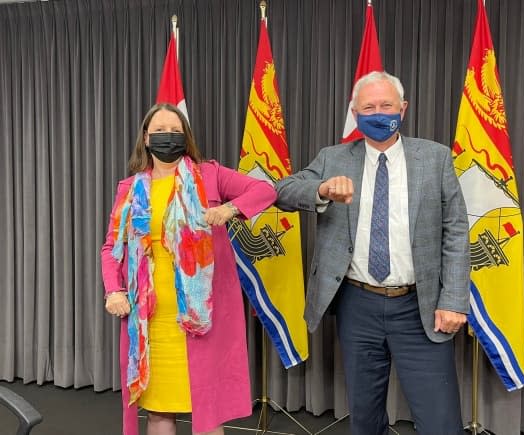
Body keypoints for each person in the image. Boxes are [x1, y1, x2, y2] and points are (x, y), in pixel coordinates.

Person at [275, 71, 470, 435]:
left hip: (420, 307)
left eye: (386, 105)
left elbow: (457, 229)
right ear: (355, 112)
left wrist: (455, 299)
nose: (378, 113)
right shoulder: (333, 158)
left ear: (403, 108)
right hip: (357, 304)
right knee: (365, 418)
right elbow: (283, 191)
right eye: (368, 107)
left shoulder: (435, 158)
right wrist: (321, 190)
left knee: (441, 422)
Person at [100, 103, 277, 435]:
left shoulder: (210, 175)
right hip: (152, 323)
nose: (169, 137)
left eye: (175, 131)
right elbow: (112, 248)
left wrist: (230, 209)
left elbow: (266, 189)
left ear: (186, 136)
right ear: (147, 138)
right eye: (161, 132)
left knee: (207, 414)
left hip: (203, 321)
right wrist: (113, 289)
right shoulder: (131, 188)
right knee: (159, 413)